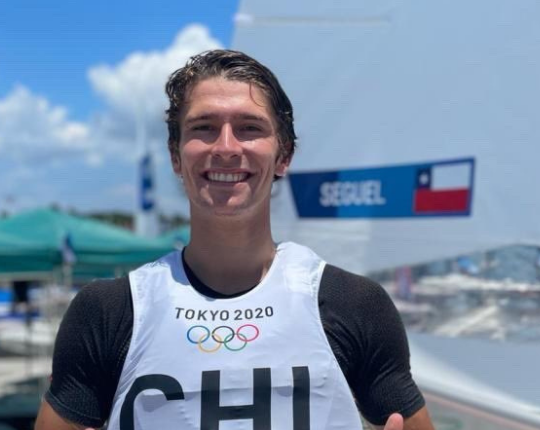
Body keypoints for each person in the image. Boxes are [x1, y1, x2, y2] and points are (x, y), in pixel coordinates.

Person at [35, 50, 434, 430]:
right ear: (175, 155)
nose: (226, 147)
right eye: (204, 128)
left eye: (249, 128)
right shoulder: (108, 311)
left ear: (283, 155)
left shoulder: (354, 304)